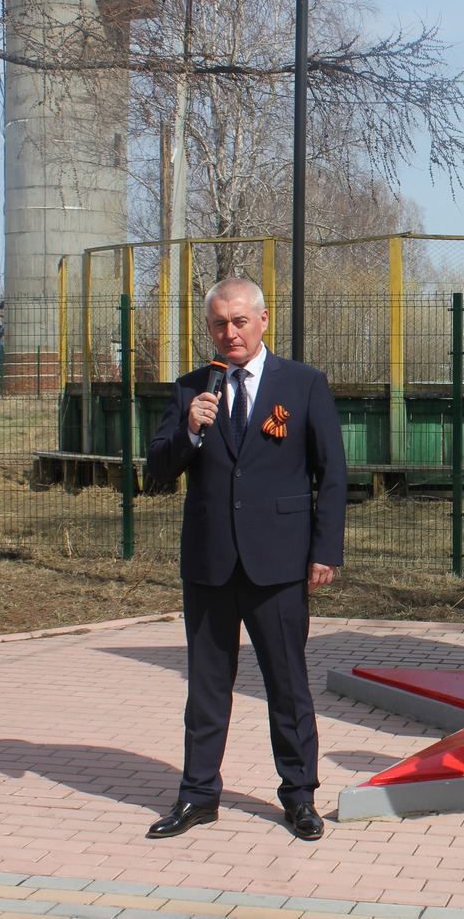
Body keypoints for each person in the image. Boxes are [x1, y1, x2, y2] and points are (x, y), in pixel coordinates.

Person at [144, 277, 347, 841]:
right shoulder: (192, 389)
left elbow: (330, 474)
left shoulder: (303, 384)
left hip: (279, 564)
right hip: (209, 563)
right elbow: (157, 470)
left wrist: (325, 550)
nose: (229, 333)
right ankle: (198, 795)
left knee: (287, 684)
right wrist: (189, 428)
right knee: (207, 687)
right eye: (218, 323)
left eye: (239, 321)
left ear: (263, 321)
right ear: (207, 328)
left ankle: (299, 795)